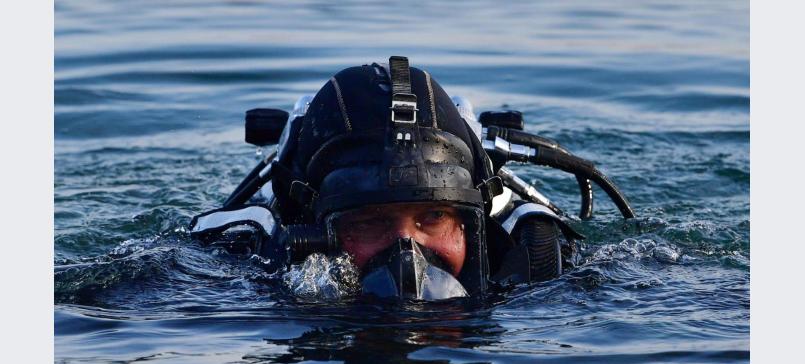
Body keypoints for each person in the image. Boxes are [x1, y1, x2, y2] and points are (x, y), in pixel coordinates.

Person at [190, 56, 597, 300]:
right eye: (370, 221)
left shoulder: (537, 266)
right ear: (313, 228)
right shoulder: (246, 266)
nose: (408, 255)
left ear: (470, 226)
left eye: (434, 217)